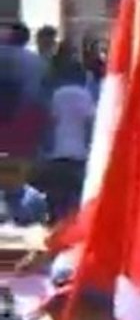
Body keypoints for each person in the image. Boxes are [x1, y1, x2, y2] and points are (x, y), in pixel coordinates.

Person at [42, 59, 96, 222]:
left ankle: (55, 226)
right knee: (76, 199)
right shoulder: (86, 96)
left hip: (57, 154)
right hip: (79, 155)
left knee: (56, 198)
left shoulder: (57, 95)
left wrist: (46, 147)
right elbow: (89, 123)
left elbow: (50, 122)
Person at [0, 154, 48, 226]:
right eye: (3, 170)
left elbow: (41, 228)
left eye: (13, 170)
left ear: (23, 172)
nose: (7, 175)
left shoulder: (34, 198)